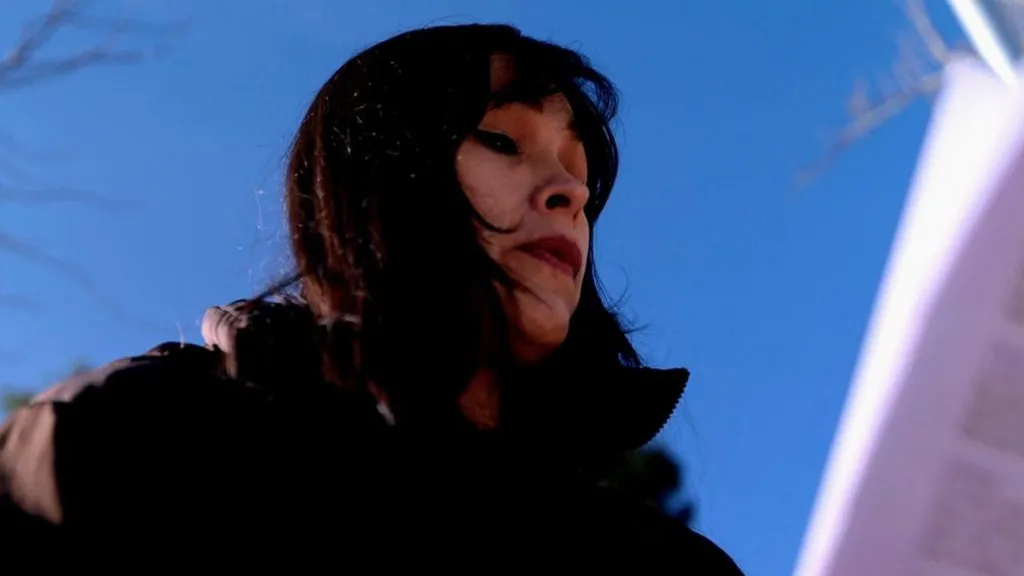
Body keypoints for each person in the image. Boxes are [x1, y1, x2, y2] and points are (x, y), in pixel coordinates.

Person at [0, 23, 742, 571]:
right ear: (383, 179)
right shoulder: (146, 441)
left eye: (578, 173)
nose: (569, 192)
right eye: (504, 141)